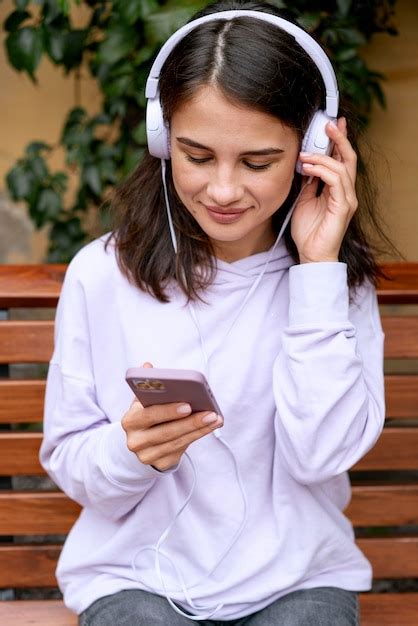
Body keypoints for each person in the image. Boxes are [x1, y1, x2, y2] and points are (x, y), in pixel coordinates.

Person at [40, 1, 390, 624]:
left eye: (258, 163)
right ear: (161, 137)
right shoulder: (100, 274)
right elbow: (71, 463)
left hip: (298, 581)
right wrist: (131, 453)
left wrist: (315, 274)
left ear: (314, 149)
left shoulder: (333, 283)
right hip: (134, 579)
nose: (224, 190)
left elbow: (321, 457)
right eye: (197, 156)